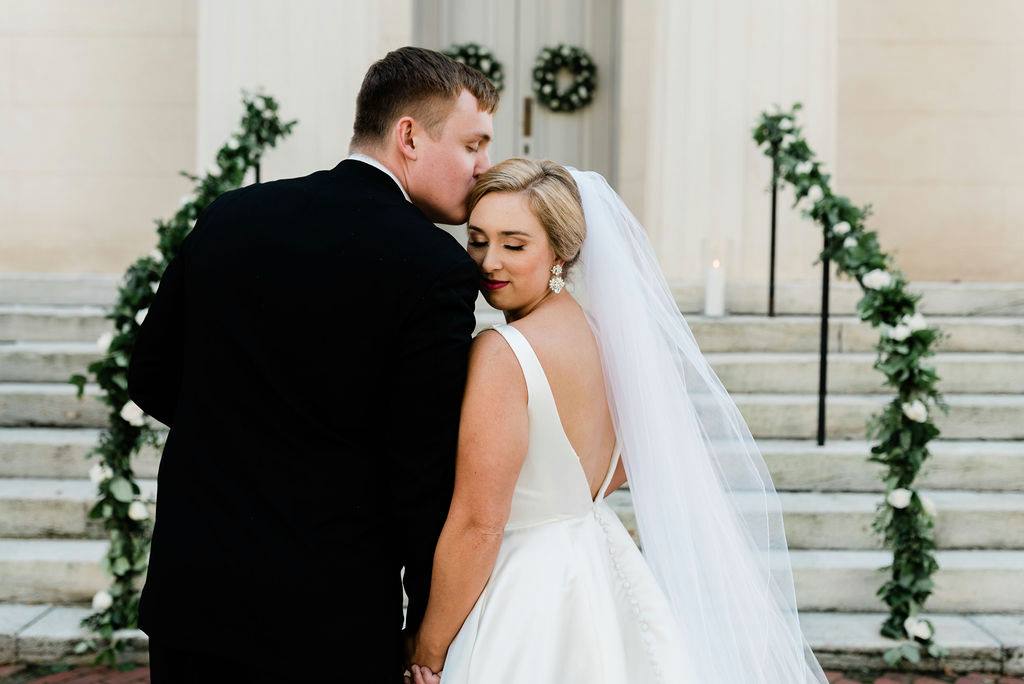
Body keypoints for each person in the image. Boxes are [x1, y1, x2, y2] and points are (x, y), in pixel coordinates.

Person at [128, 46, 496, 682]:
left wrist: (238, 440)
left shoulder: (230, 215)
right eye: (473, 145)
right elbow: (421, 470)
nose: (484, 167)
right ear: (409, 136)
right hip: (327, 617)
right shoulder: (434, 267)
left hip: (195, 599)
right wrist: (426, 625)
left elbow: (151, 376)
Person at [405, 158, 830, 683]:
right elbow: (633, 454)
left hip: (524, 593)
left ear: (560, 251)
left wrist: (428, 648)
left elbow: (479, 523)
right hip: (599, 561)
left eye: (514, 245)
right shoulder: (608, 336)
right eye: (477, 241)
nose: (489, 262)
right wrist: (562, 494)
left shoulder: (501, 353)